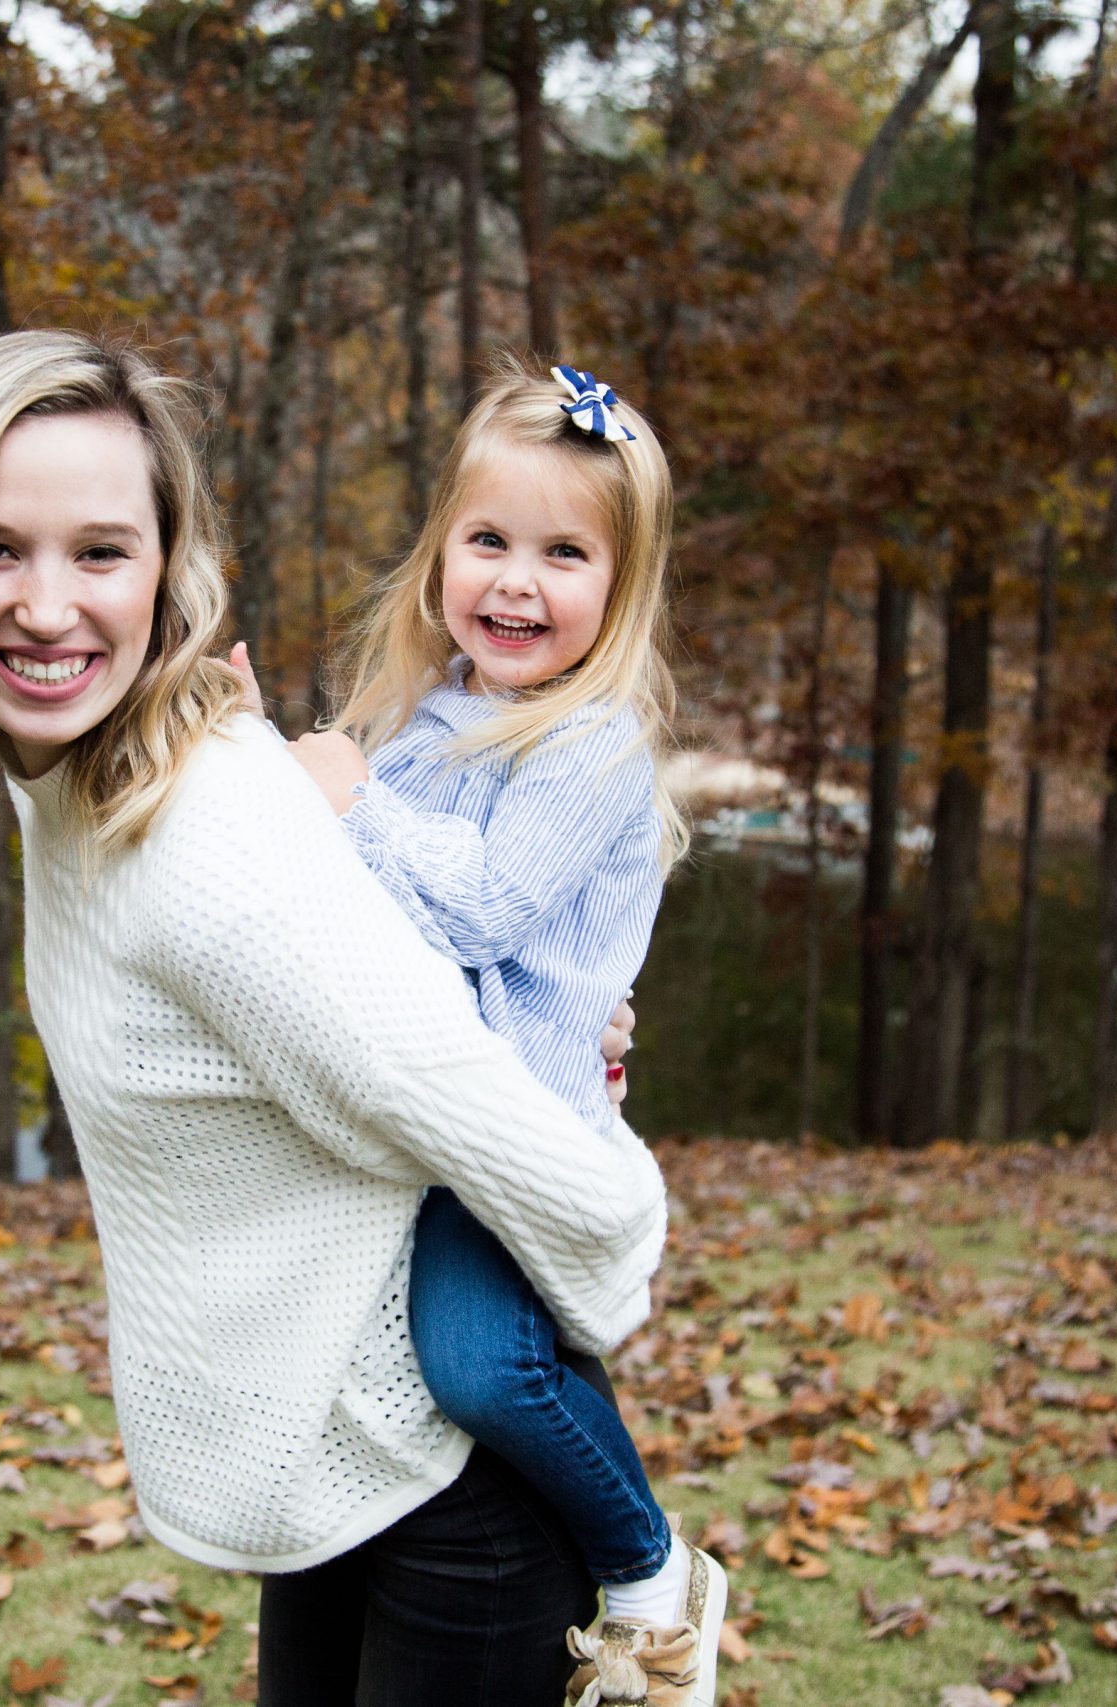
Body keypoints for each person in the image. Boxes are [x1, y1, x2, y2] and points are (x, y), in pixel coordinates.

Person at [0, 329, 663, 1707]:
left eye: (100, 551)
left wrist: (600, 1214)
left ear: (167, 567)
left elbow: (438, 1076)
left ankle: (652, 1565)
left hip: (451, 1499)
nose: (47, 604)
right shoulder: (85, 785)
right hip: (330, 1466)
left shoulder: (202, 834)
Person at [256, 355, 724, 1707]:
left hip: (504, 1132)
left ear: (622, 586)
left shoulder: (592, 743)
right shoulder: (425, 720)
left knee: (481, 1365)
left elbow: (485, 907)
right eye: (490, 541)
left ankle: (650, 1565)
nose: (518, 582)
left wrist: (348, 798)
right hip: (413, 1122)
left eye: (564, 554)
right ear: (440, 554)